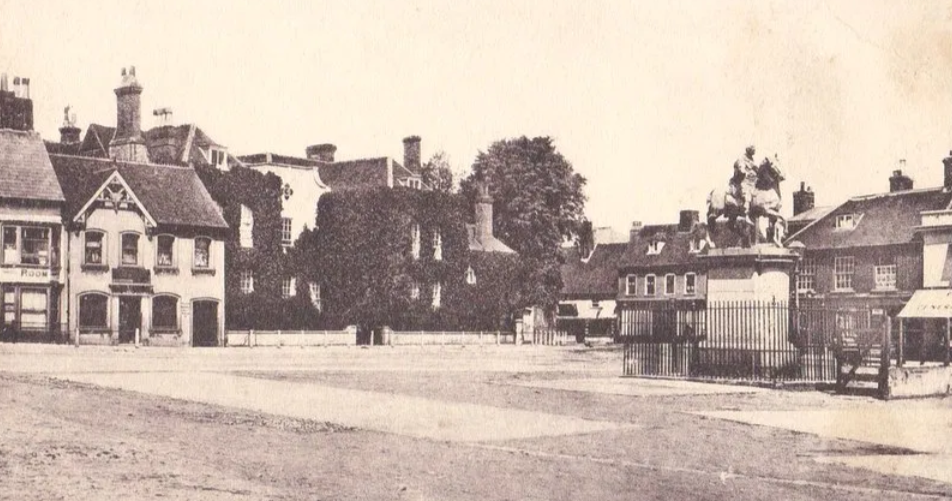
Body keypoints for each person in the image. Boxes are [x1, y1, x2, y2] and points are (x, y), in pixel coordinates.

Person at [731, 145, 758, 223]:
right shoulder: (742, 158)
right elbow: (741, 169)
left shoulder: (751, 159)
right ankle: (746, 215)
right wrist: (745, 172)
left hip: (751, 181)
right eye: (752, 150)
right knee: (747, 194)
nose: (754, 152)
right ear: (749, 150)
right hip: (742, 181)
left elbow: (755, 167)